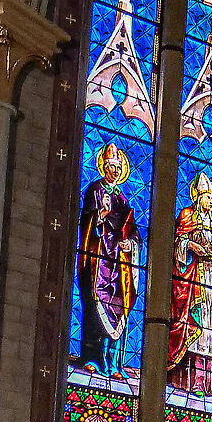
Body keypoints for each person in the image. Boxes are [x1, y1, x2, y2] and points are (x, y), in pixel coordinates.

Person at [75, 144, 141, 376]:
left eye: (118, 167)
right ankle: (92, 358)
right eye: (111, 166)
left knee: (119, 307)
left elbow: (132, 230)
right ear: (103, 166)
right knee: (95, 304)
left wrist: (130, 244)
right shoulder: (94, 190)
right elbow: (87, 223)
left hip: (119, 261)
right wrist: (99, 217)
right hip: (99, 258)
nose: (114, 170)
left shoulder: (122, 199)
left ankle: (113, 363)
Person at [168, 171, 212, 399]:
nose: (208, 201)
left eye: (211, 197)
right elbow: (178, 242)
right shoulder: (187, 215)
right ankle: (192, 381)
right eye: (205, 196)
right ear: (197, 197)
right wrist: (191, 247)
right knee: (197, 325)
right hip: (196, 278)